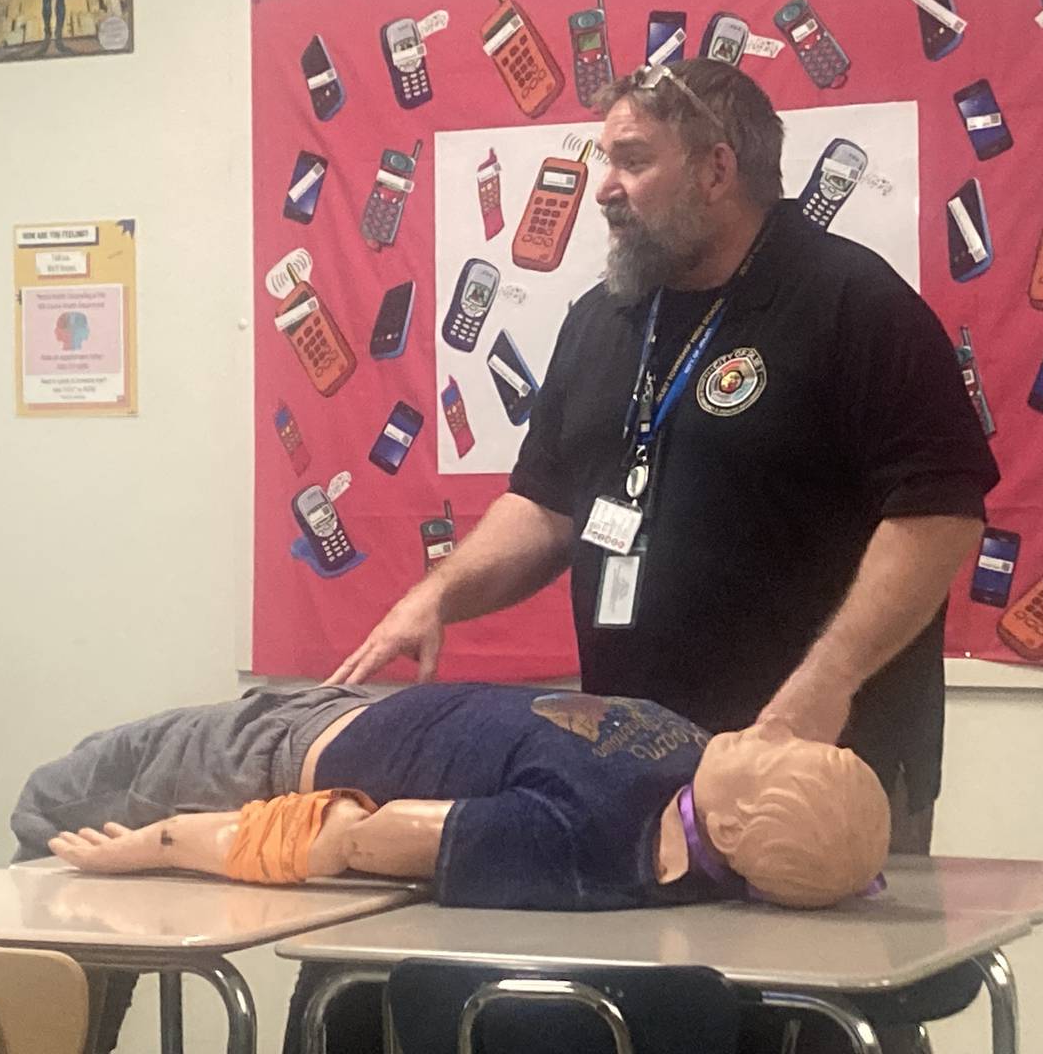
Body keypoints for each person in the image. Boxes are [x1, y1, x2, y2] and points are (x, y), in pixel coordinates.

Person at [329, 57, 997, 1054]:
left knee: (816, 1024)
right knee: (665, 1021)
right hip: (634, 766)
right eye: (603, 159)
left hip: (815, 754)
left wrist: (824, 686)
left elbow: (939, 515)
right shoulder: (602, 321)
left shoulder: (851, 300)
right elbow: (546, 506)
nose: (603, 186)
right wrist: (438, 595)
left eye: (633, 160)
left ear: (718, 169)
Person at [17, 682, 890, 910]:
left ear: (733, 830)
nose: (777, 733)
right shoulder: (702, 770)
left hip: (266, 762)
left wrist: (162, 842)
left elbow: (352, 837)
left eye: (780, 762)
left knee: (50, 807)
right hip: (346, 709)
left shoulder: (580, 844)